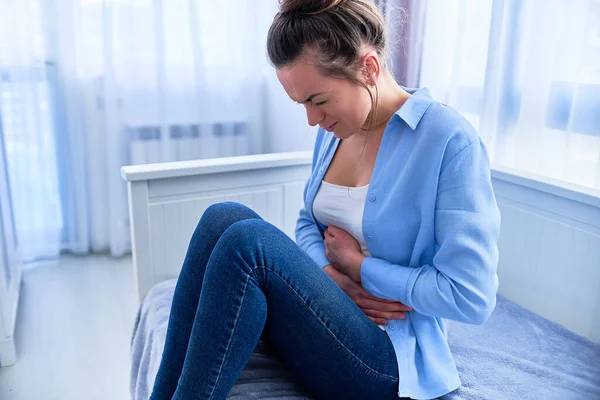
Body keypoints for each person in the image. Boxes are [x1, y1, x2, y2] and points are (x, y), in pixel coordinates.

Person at [149, 0, 501, 399]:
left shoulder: (448, 141)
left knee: (247, 245)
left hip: (387, 355)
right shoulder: (336, 128)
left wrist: (361, 268)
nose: (312, 120)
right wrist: (328, 278)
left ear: (367, 68)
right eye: (302, 104)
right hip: (329, 320)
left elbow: (471, 297)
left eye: (318, 100)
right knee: (223, 218)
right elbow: (308, 221)